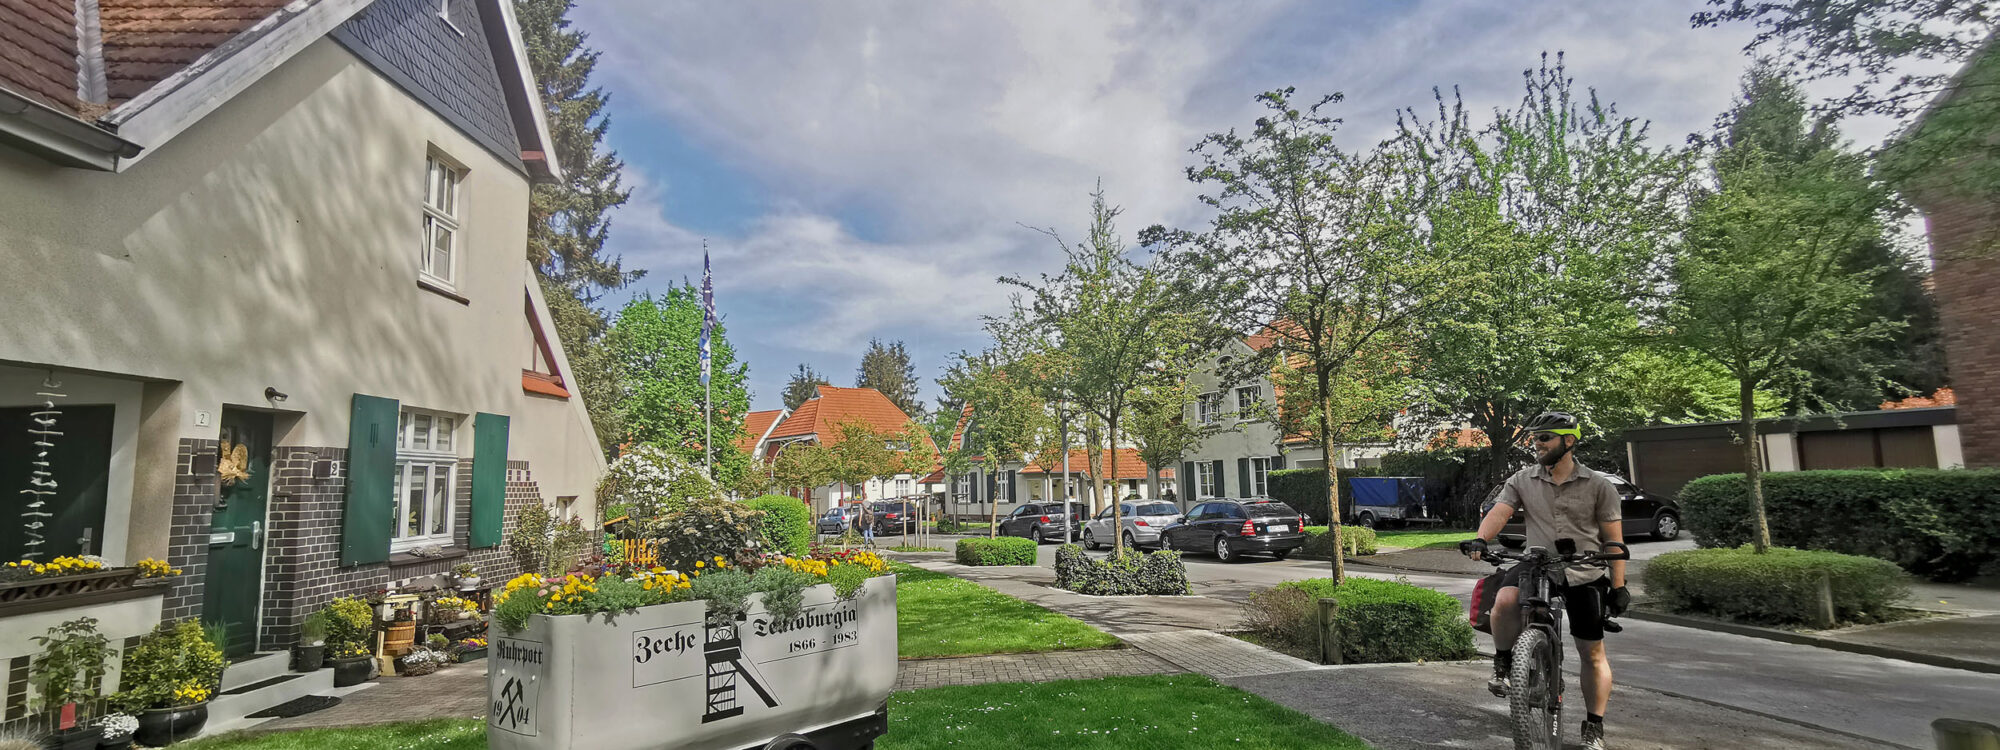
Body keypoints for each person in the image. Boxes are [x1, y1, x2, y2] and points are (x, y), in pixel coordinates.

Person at [1459, 411, 1630, 750]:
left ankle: (1594, 726)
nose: (1536, 443)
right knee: (1504, 602)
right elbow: (1501, 510)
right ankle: (1505, 661)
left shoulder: (1599, 485)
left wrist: (1620, 586)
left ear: (1568, 441)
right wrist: (1481, 538)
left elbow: (1613, 540)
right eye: (1534, 438)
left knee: (1591, 652)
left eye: (1544, 437)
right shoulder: (1522, 479)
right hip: (1536, 564)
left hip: (1585, 569)